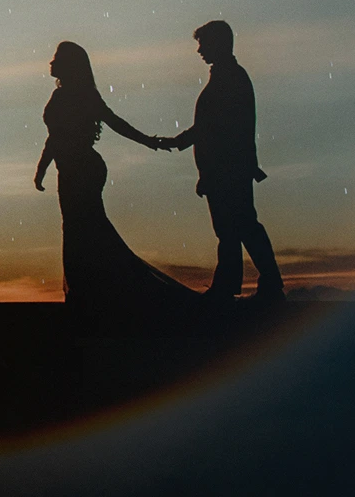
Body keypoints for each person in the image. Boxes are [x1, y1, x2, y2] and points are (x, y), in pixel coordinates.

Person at [34, 40, 197, 316]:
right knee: (81, 229)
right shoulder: (62, 96)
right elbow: (55, 138)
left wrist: (149, 141)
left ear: (69, 65)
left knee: (82, 229)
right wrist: (42, 168)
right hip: (71, 170)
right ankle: (90, 290)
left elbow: (115, 122)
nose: (50, 62)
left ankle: (89, 293)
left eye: (56, 58)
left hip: (83, 170)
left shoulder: (84, 96)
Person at [158, 21, 284, 307]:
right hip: (226, 169)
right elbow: (208, 127)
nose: (199, 50)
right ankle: (241, 285)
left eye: (203, 44)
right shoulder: (228, 77)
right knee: (235, 228)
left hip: (227, 169)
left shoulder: (231, 79)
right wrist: (180, 142)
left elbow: (220, 130)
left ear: (218, 44)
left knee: (238, 228)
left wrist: (188, 148)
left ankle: (244, 286)